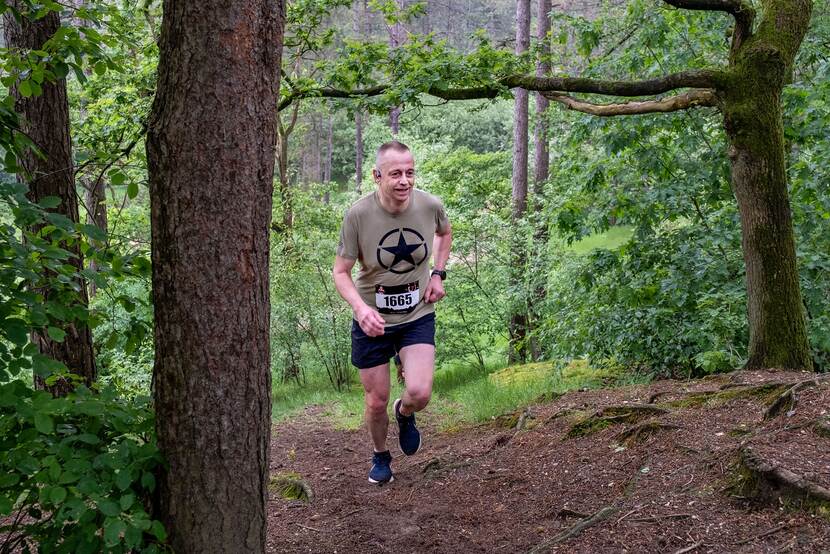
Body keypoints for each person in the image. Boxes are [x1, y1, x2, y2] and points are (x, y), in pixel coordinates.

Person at [333, 140, 452, 485]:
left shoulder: (429, 205)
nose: (404, 181)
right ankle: (381, 455)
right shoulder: (358, 215)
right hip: (372, 320)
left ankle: (405, 412)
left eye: (410, 172)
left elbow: (445, 233)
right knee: (375, 401)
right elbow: (340, 272)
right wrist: (360, 309)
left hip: (416, 313)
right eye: (396, 173)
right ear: (377, 175)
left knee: (420, 392)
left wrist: (438, 273)